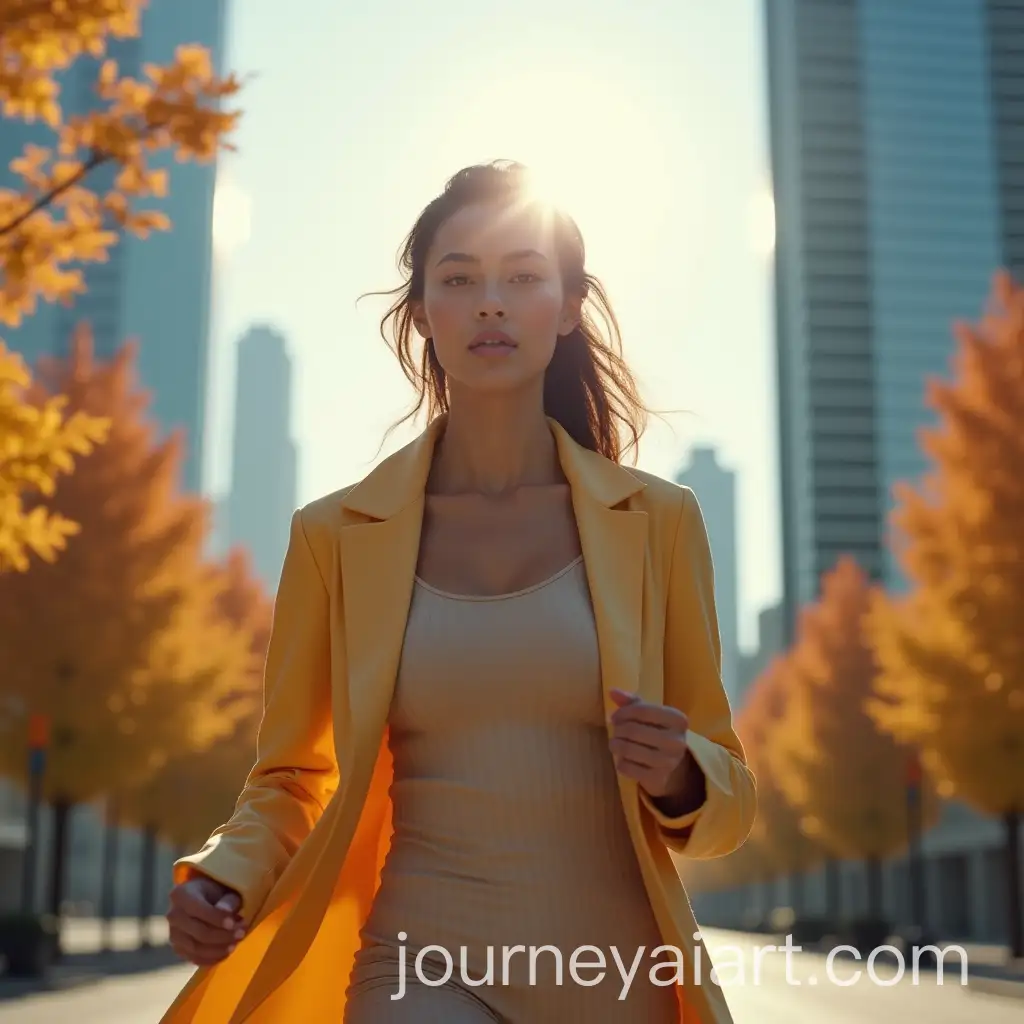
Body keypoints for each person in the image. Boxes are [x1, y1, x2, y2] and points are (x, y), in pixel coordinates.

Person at [160, 160, 756, 1024]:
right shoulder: (335, 536)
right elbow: (294, 774)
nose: (490, 303)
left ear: (570, 305)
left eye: (522, 276)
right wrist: (224, 873)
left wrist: (682, 776)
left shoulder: (657, 522)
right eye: (459, 278)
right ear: (421, 311)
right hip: (418, 960)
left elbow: (729, 789)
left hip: (615, 972)